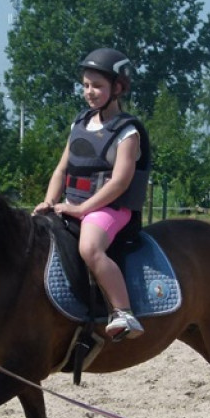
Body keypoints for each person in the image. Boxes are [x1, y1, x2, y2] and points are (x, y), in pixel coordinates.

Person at [34, 48, 152, 341]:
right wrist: (50, 201)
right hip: (74, 203)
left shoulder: (127, 132)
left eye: (97, 86)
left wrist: (82, 209)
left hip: (110, 208)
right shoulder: (79, 124)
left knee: (90, 247)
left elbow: (120, 182)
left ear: (118, 88)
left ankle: (123, 312)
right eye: (86, 85)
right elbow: (61, 170)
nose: (89, 92)